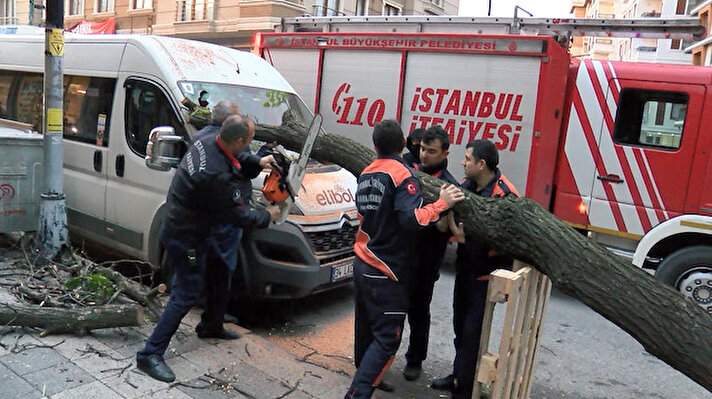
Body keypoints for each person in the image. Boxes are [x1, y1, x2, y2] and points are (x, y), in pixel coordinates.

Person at [136, 115, 280, 383]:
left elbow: (236, 160)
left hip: (199, 227)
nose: (248, 147)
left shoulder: (207, 141)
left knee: (219, 270)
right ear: (238, 140)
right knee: (187, 291)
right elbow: (241, 217)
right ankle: (150, 353)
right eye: (248, 143)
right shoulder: (215, 175)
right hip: (187, 238)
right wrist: (268, 215)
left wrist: (258, 161)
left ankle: (211, 324)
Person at [345, 120, 465, 399]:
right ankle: (358, 393)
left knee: (366, 333)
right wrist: (441, 204)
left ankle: (368, 378)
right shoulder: (403, 175)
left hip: (363, 262)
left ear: (375, 146)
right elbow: (412, 220)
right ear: (405, 144)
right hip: (386, 269)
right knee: (387, 339)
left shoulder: (366, 173)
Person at [431, 139, 519, 399]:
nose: (462, 162)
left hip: (487, 276)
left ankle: (466, 390)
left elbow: (505, 241)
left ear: (482, 164)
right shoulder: (466, 186)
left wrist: (464, 236)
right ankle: (459, 375)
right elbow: (452, 227)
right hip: (466, 270)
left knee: (472, 334)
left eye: (467, 159)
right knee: (460, 328)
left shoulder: (505, 195)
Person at [194, 101, 275, 325]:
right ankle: (211, 316)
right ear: (226, 123)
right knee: (221, 266)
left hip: (206, 214)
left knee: (213, 263)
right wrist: (267, 215)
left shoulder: (202, 137)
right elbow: (240, 165)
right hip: (224, 214)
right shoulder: (217, 145)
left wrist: (260, 157)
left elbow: (242, 160)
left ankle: (212, 314)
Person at [402, 125, 459, 381]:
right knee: (392, 311)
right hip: (400, 256)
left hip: (426, 262)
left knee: (418, 313)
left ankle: (415, 360)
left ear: (445, 152)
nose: (424, 155)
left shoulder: (450, 187)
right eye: (423, 149)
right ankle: (382, 357)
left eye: (431, 151)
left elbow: (444, 229)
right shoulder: (409, 170)